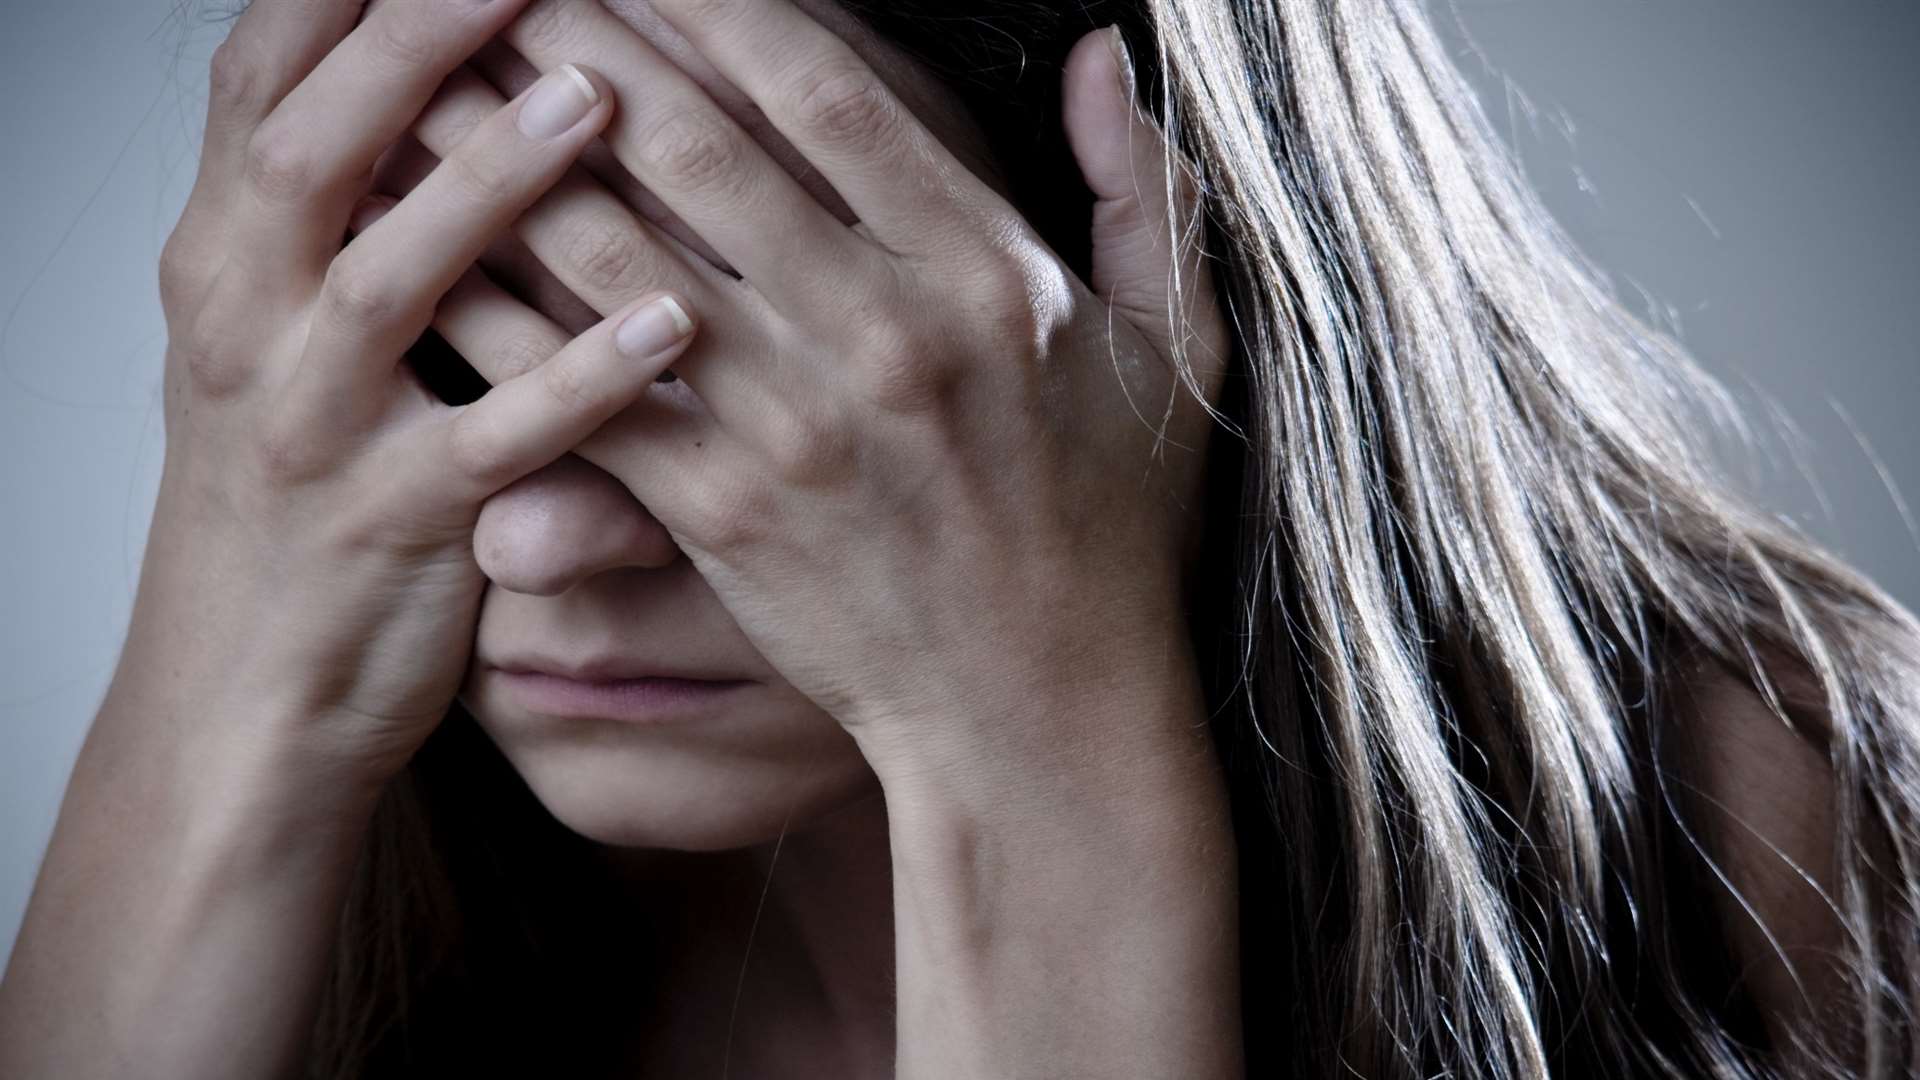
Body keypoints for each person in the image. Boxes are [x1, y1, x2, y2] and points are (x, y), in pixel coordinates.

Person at [1, 0, 1915, 1075]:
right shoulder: (395, 874)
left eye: (743, 373)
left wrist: (1039, 735)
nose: (548, 541)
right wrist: (233, 714)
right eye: (451, 328)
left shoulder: (1766, 806)